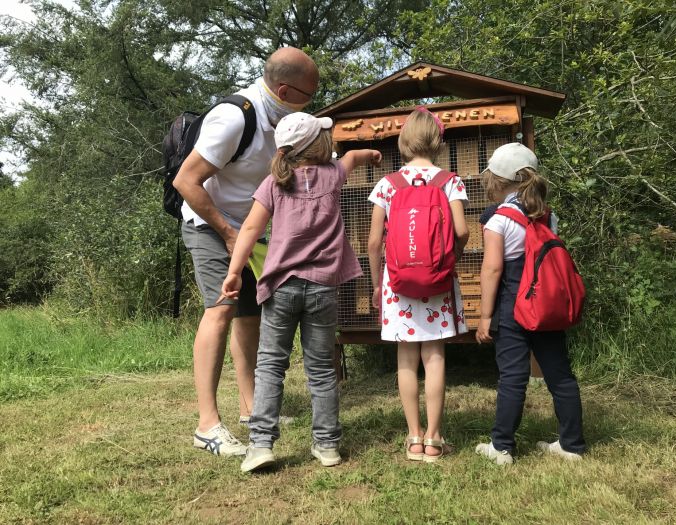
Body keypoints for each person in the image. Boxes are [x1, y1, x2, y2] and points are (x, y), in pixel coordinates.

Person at [173, 47, 319, 456]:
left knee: (250, 316)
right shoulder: (235, 117)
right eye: (309, 95)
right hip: (210, 225)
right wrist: (227, 233)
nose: (311, 102)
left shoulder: (278, 120)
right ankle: (207, 425)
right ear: (284, 91)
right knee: (220, 310)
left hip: (249, 232)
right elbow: (186, 181)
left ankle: (251, 408)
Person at [219, 112, 382, 472]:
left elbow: (249, 230)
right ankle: (327, 445)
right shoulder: (333, 174)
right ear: (318, 144)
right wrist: (371, 154)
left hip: (280, 288)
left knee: (270, 366)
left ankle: (261, 445)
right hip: (322, 288)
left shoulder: (273, 184)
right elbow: (352, 158)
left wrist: (233, 273)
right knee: (321, 368)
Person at [367, 108, 470, 462]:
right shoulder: (450, 181)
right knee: (435, 355)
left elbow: (374, 242)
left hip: (397, 284)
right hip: (438, 281)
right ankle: (434, 439)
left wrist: (377, 284)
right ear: (438, 142)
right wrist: (450, 258)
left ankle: (413, 437)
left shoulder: (387, 184)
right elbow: (461, 231)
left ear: (404, 141)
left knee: (406, 358)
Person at [475, 142, 585, 465]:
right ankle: (572, 445)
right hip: (546, 305)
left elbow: (492, 270)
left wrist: (485, 316)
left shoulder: (498, 220)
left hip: (513, 306)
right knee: (560, 375)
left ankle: (502, 447)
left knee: (512, 377)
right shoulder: (548, 217)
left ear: (497, 181)